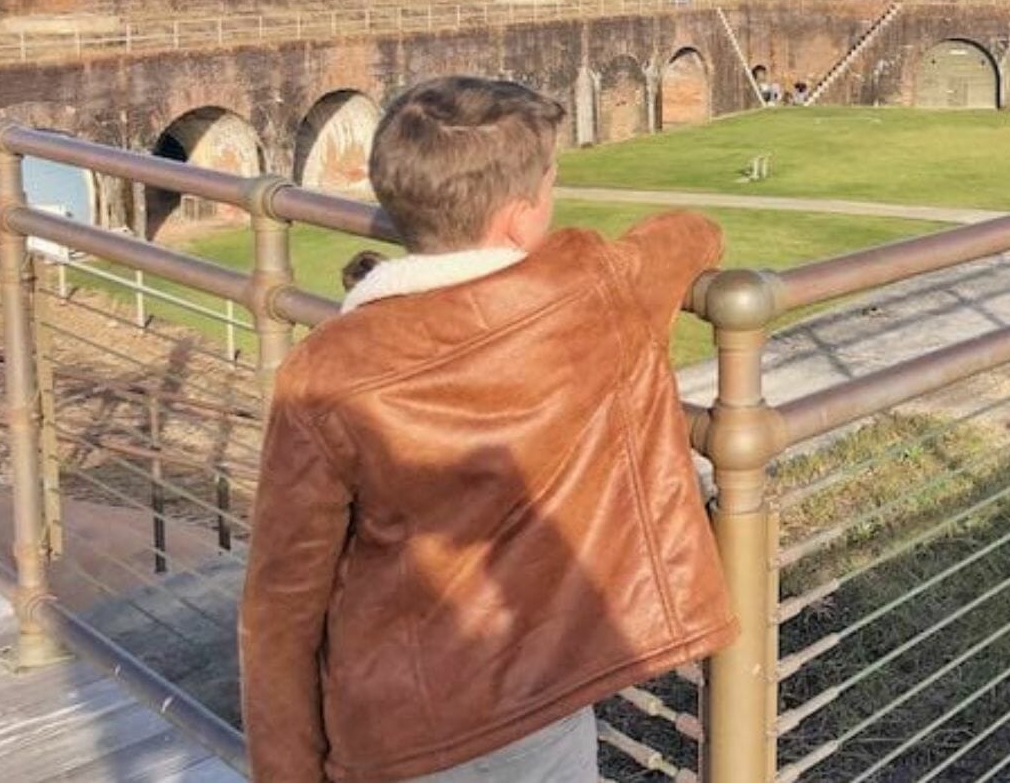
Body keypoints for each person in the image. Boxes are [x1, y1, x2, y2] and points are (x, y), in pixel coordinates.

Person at [240, 76, 735, 782]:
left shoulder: (322, 368)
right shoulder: (593, 288)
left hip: (391, 727)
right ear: (518, 217)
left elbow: (281, 607)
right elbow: (690, 234)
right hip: (538, 703)